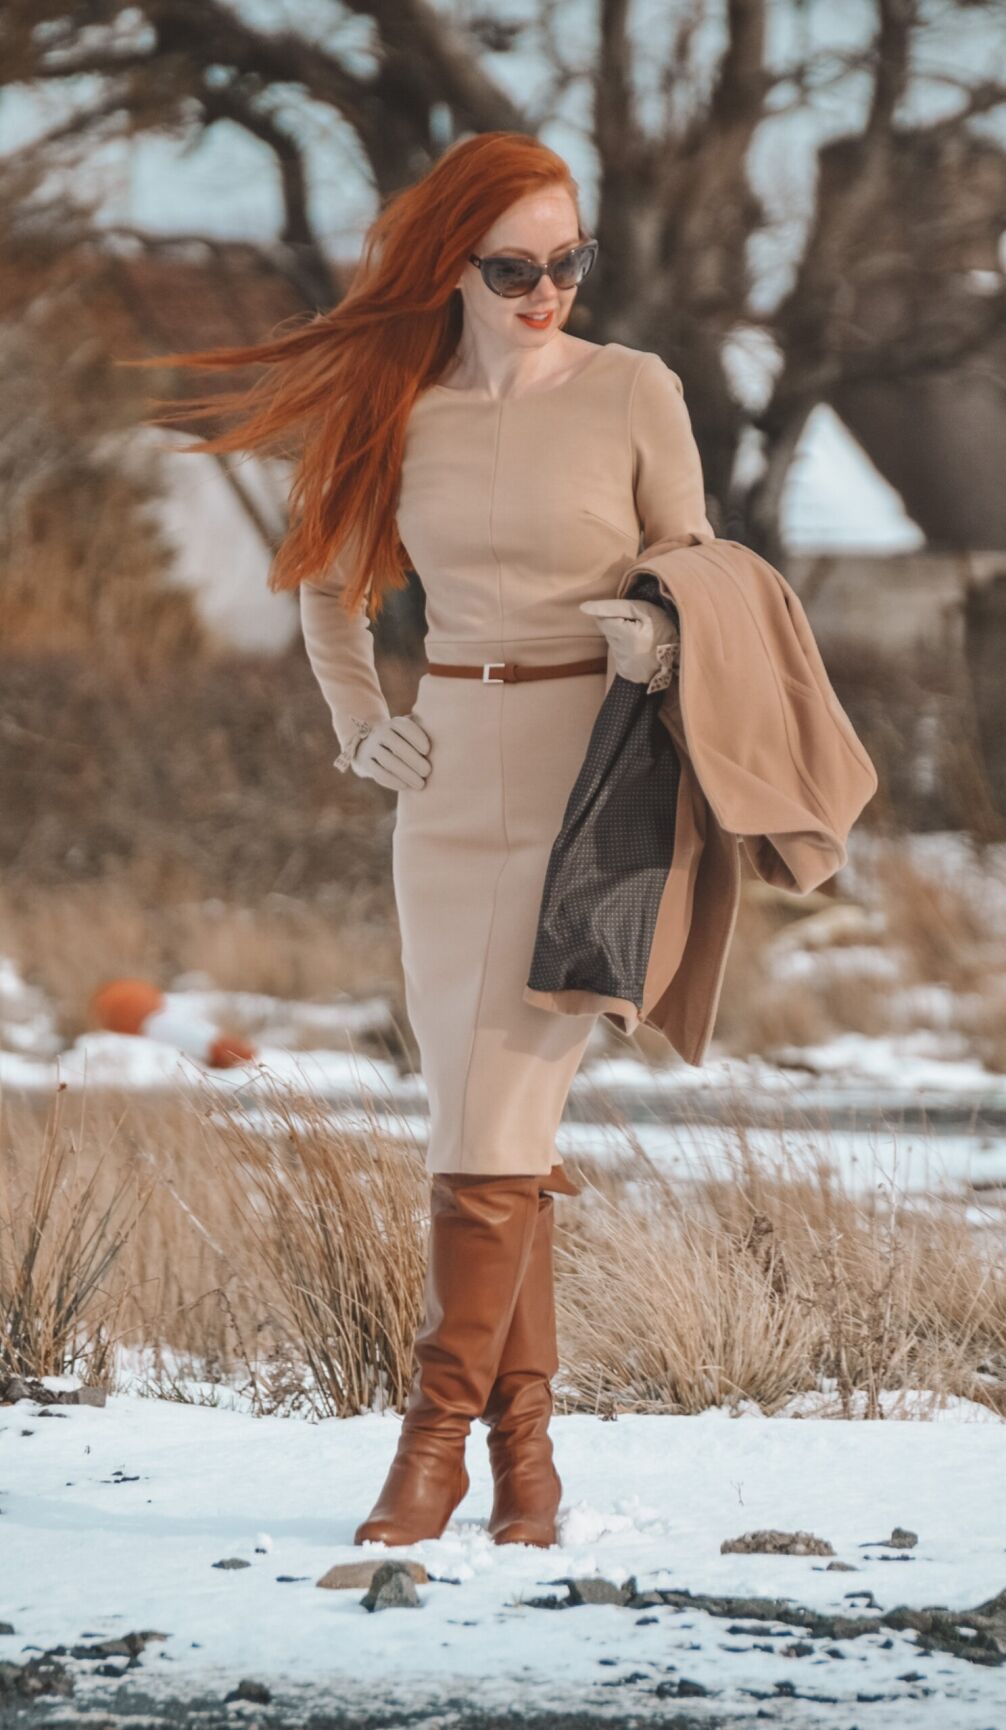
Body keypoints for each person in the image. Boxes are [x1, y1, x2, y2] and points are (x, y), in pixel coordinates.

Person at [135, 130, 714, 1551]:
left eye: (567, 262)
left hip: (597, 783)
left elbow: (699, 564)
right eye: (513, 267)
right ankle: (526, 1462)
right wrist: (359, 721)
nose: (545, 291)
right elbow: (326, 592)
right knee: (477, 1123)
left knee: (494, 1117)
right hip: (446, 781)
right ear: (450, 266)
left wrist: (652, 624)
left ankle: (432, 1443)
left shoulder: (636, 389)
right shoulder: (398, 407)